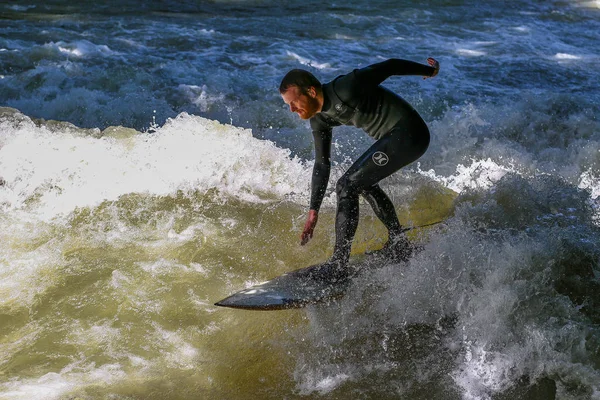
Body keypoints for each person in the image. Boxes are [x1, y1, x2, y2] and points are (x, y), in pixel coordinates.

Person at [279, 57, 439, 276]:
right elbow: (322, 164)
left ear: (312, 92)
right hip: (397, 137)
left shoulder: (346, 87)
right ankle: (398, 241)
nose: (291, 109)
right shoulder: (319, 120)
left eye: (293, 102)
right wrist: (313, 211)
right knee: (361, 183)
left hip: (410, 133)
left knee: (346, 185)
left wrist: (429, 72)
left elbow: (389, 66)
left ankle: (338, 265)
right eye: (288, 104)